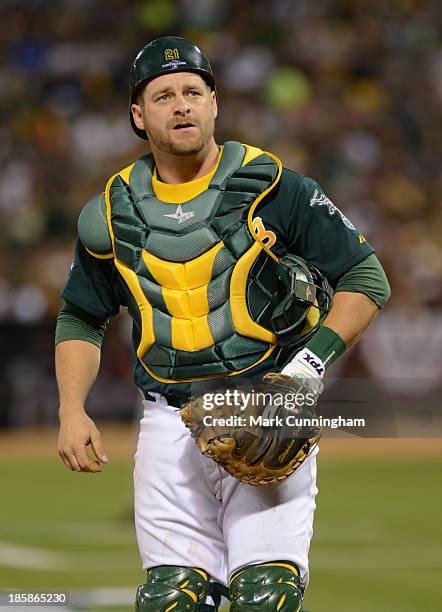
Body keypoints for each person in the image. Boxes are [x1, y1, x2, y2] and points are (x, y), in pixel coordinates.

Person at [55, 36, 390, 611]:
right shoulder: (111, 212)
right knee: (172, 601)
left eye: (193, 91)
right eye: (163, 96)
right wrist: (70, 408)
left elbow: (367, 279)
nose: (181, 104)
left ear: (215, 103)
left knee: (266, 596)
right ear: (139, 115)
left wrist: (304, 375)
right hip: (166, 423)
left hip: (265, 409)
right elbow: (81, 316)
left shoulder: (276, 187)